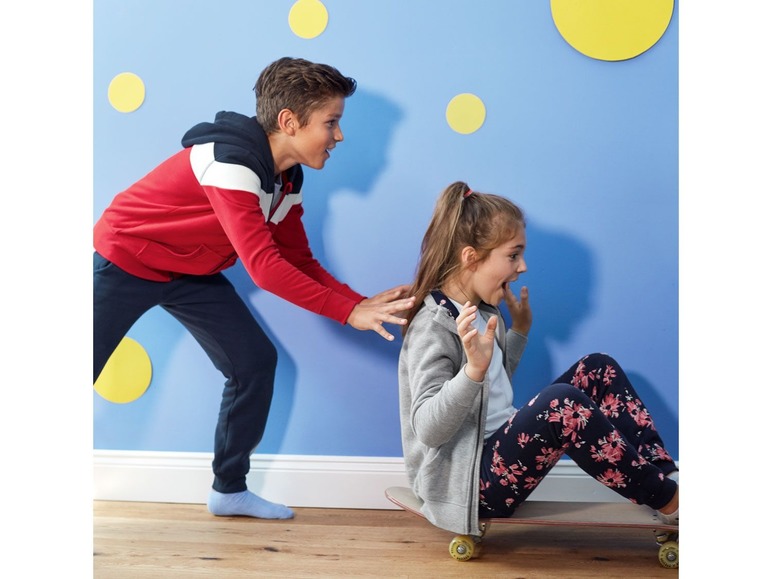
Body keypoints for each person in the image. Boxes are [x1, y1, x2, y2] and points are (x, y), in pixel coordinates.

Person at [93, 57, 415, 520]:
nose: (339, 135)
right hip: (128, 256)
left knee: (254, 363)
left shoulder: (285, 179)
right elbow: (264, 268)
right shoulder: (231, 162)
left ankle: (228, 490)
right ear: (289, 122)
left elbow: (298, 260)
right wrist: (347, 314)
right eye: (332, 122)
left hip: (189, 271)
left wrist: (358, 303)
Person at [397, 181, 678, 537]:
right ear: (472, 258)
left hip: (497, 454)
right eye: (513, 255)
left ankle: (665, 473)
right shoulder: (434, 325)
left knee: (597, 368)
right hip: (469, 484)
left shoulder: (482, 309)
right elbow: (428, 428)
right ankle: (671, 501)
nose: (523, 266)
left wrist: (519, 333)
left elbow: (491, 389)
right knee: (562, 405)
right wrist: (472, 371)